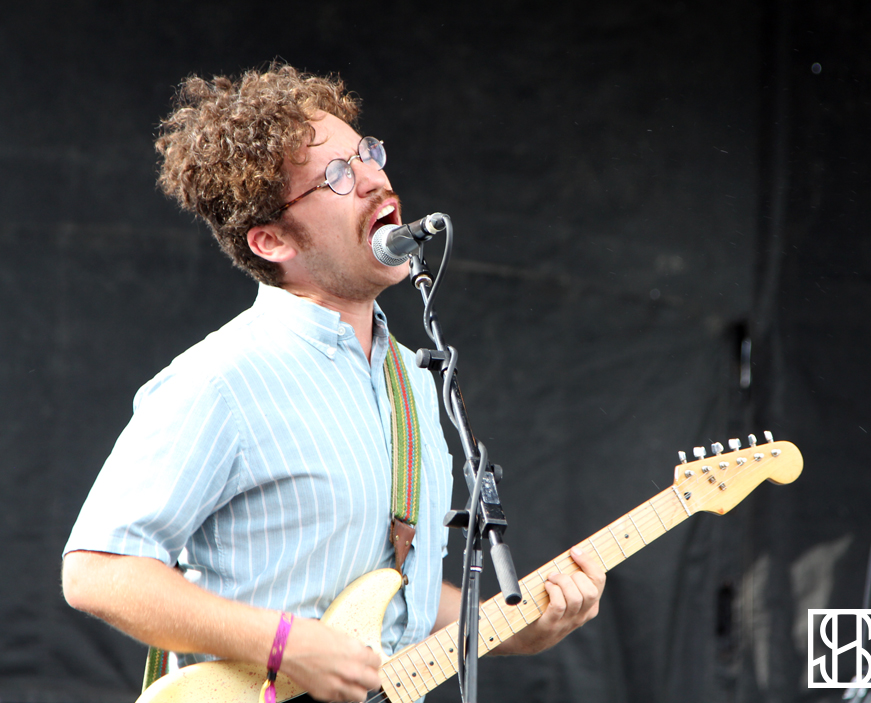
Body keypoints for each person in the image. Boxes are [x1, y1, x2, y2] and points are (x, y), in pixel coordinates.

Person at [61, 62, 605, 703]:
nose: (376, 179)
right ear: (271, 240)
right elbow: (97, 572)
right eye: (339, 176)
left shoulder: (413, 380)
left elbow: (400, 600)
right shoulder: (222, 379)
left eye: (367, 153)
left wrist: (517, 625)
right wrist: (283, 642)